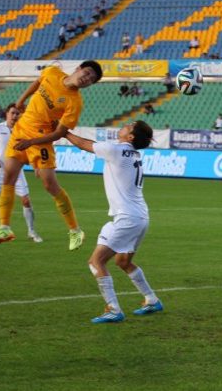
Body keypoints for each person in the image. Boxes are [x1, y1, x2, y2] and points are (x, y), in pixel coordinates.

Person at [0, 60, 103, 251]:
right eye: (88, 73)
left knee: (50, 185)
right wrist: (21, 100)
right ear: (78, 69)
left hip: (41, 139)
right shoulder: (52, 72)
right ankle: (4, 227)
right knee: (8, 177)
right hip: (20, 131)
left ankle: (75, 230)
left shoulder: (74, 102)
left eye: (91, 79)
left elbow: (59, 133)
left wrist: (31, 143)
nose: (87, 78)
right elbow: (37, 82)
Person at [64, 121, 163, 323]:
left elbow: (83, 144)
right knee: (123, 261)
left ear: (131, 137)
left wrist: (64, 132)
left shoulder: (117, 151)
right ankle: (152, 299)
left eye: (130, 125)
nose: (125, 125)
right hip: (140, 217)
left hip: (127, 218)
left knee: (96, 262)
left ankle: (113, 309)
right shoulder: (133, 154)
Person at [0, 104, 42, 244]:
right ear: (7, 114)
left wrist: (36, 165)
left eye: (17, 113)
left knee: (26, 200)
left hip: (16, 170)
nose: (14, 116)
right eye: (12, 113)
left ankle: (32, 232)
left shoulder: (23, 130)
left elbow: (31, 149)